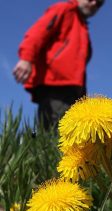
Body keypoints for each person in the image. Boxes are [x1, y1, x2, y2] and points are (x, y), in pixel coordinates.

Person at [12, 0, 104, 130]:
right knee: (57, 133)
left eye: (99, 4)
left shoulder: (82, 28)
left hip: (74, 92)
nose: (94, 4)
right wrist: (26, 59)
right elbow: (37, 33)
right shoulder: (63, 10)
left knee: (72, 135)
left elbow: (79, 68)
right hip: (55, 85)